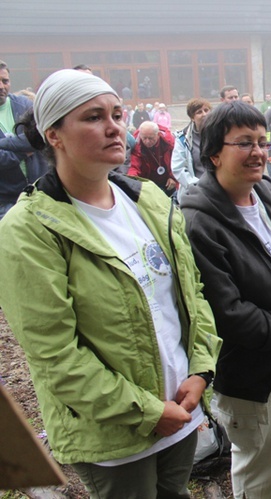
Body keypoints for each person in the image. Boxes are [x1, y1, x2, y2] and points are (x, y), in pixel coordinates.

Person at [0, 69, 221, 498]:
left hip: (183, 408)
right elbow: (55, 355)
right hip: (114, 433)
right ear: (55, 135)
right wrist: (147, 411)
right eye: (93, 116)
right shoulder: (28, 230)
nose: (114, 126)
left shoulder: (148, 199)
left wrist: (201, 369)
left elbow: (192, 296)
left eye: (117, 114)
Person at [181, 102, 271, 498]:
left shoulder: (270, 194)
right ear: (214, 153)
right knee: (261, 470)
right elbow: (227, 313)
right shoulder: (200, 221)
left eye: (262, 142)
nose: (259, 152)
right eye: (244, 143)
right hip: (253, 373)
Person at [0, 59, 46, 219]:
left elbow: (38, 137)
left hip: (38, 191)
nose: (1, 86)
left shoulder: (24, 105)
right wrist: (23, 152)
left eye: (5, 81)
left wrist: (4, 145)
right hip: (5, 199)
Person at [172, 97, 211, 201]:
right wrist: (198, 186)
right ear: (192, 117)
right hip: (195, 193)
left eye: (206, 110)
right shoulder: (182, 139)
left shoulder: (222, 134)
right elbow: (178, 168)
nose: (204, 114)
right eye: (199, 112)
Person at [129, 120, 178, 196]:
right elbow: (133, 166)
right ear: (140, 135)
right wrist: (133, 181)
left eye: (151, 138)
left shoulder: (169, 142)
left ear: (158, 135)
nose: (147, 141)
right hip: (147, 184)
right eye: (144, 138)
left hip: (168, 183)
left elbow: (177, 161)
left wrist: (173, 177)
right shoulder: (136, 145)